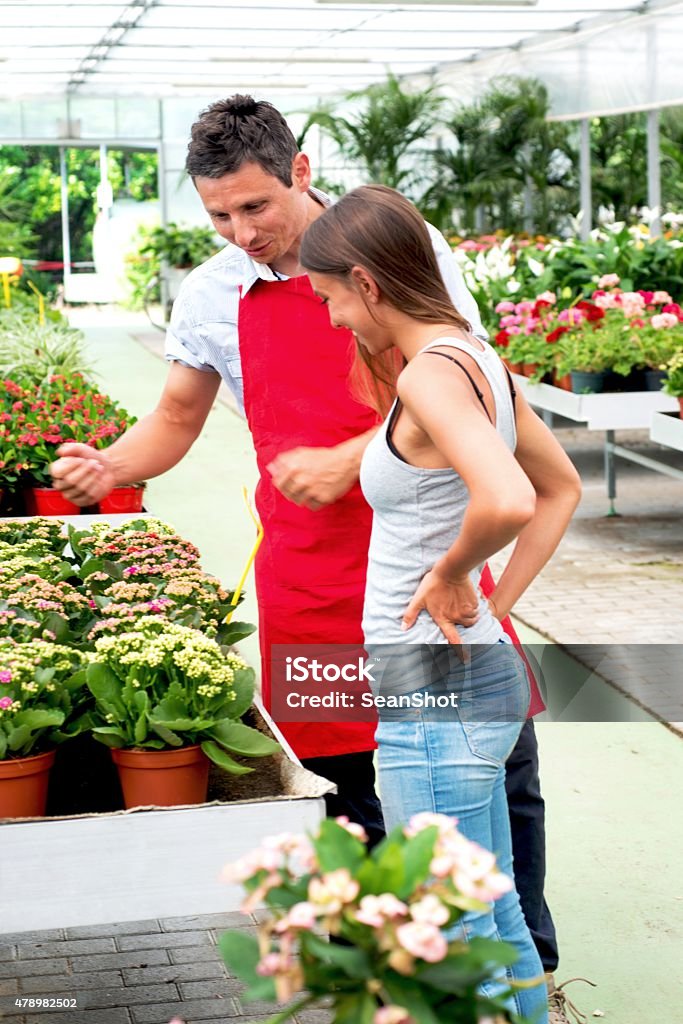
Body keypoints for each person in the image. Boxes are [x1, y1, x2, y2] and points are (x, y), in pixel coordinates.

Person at [51, 95, 571, 1016]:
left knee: (484, 778)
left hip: (421, 551)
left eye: (255, 207)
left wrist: (354, 461)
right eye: (218, 214)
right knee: (352, 779)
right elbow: (176, 417)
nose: (240, 232)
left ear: (299, 171)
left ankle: (516, 955)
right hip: (308, 571)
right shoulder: (212, 292)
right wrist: (109, 466)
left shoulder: (402, 251)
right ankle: (393, 956)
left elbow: (457, 396)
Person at [300, 184, 582, 1022]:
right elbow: (561, 488)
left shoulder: (429, 373)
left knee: (445, 937)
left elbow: (510, 499)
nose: (331, 319)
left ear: (368, 282)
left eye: (330, 299)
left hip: (434, 692)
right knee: (492, 916)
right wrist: (491, 603)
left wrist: (458, 572)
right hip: (470, 672)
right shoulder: (476, 356)